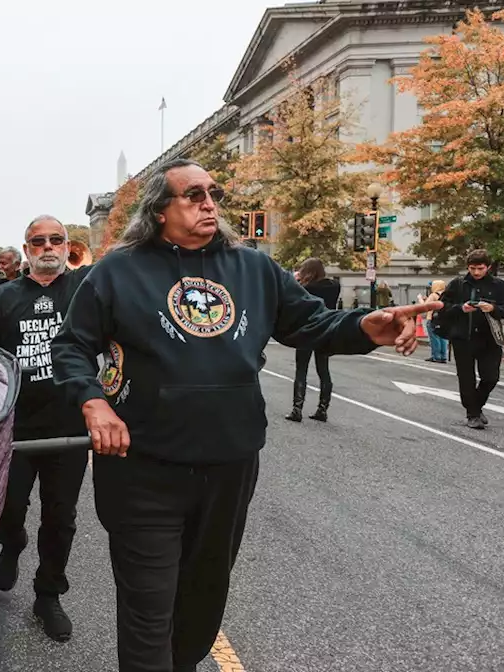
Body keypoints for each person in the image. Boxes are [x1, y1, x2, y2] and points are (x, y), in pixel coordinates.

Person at [50, 159, 437, 672]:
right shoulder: (116, 272)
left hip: (229, 465)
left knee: (204, 601)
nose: (210, 203)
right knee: (148, 606)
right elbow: (73, 346)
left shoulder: (254, 268)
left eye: (214, 192)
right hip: (143, 468)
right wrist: (93, 400)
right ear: (159, 211)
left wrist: (367, 327)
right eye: (193, 195)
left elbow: (311, 324)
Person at [0, 215, 92, 643]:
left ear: (67, 247)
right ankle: (12, 541)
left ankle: (48, 594)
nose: (48, 247)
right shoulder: (3, 298)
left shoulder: (85, 291)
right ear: (26, 251)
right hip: (17, 430)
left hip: (70, 429)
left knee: (61, 517)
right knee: (11, 508)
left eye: (56, 240)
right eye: (38, 241)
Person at [434, 249, 504, 429]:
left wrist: (492, 308)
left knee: (491, 377)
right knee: (466, 378)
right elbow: (442, 307)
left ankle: (476, 406)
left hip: (490, 339)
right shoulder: (458, 284)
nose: (476, 272)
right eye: (472, 268)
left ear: (488, 267)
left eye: (480, 268)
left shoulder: (499, 285)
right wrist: (460, 308)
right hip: (463, 338)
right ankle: (473, 415)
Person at [286, 257, 342, 422]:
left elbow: (294, 299)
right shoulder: (334, 286)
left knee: (301, 370)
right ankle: (322, 409)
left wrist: (296, 280)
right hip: (326, 331)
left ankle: (297, 409)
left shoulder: (306, 288)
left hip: (307, 330)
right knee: (323, 371)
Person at [420, 279, 450, 363]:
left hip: (432, 318)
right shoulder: (447, 295)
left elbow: (425, 306)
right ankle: (443, 356)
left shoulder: (433, 295)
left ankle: (436, 356)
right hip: (444, 319)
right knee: (443, 338)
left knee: (434, 338)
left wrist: (420, 299)